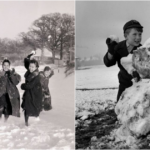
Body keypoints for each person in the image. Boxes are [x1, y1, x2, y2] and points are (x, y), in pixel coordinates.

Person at [103, 20, 143, 102]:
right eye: (134, 34)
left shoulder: (142, 49)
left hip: (138, 86)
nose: (138, 37)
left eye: (140, 34)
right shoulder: (118, 47)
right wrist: (111, 51)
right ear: (126, 36)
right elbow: (108, 63)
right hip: (124, 85)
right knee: (120, 109)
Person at [21, 53, 43, 126]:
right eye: (30, 66)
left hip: (34, 94)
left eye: (33, 67)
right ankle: (26, 123)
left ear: (36, 67)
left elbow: (29, 86)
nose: (31, 68)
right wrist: (28, 58)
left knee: (33, 107)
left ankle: (36, 119)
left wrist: (22, 86)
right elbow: (27, 64)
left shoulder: (36, 75)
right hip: (30, 93)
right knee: (27, 107)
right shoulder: (30, 72)